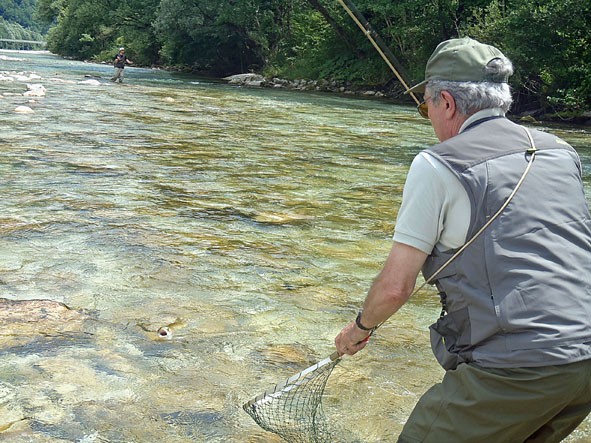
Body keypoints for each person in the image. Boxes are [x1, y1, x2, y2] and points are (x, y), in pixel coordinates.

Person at [335, 37, 591, 442]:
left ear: (447, 103)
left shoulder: (437, 165)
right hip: (583, 366)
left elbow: (395, 286)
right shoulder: (561, 152)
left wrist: (359, 329)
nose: (430, 118)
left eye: (426, 107)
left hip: (516, 371)